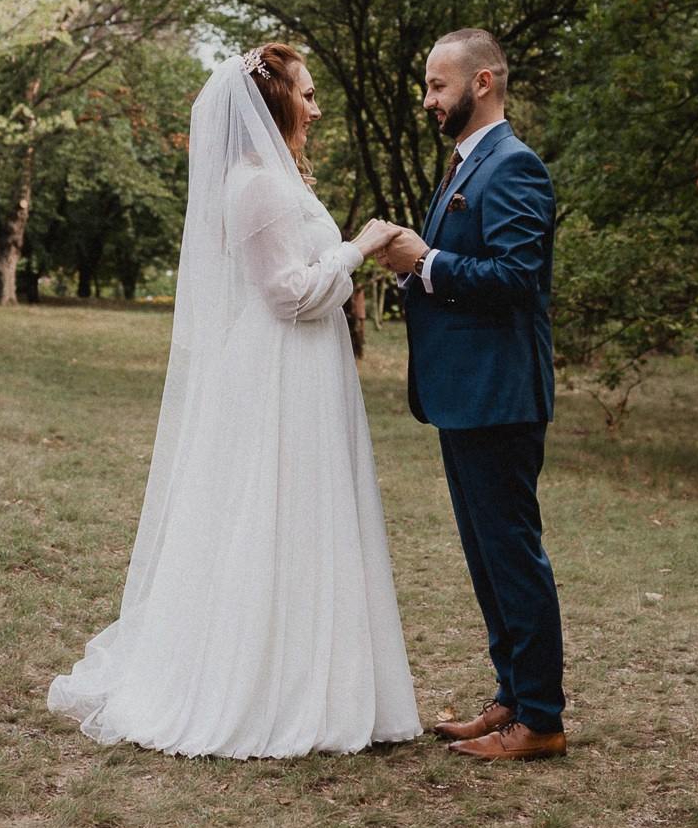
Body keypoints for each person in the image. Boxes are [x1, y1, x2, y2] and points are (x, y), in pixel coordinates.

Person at [47, 43, 421, 758]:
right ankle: (268, 690)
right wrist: (358, 248)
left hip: (308, 369)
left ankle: (324, 679)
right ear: (271, 100)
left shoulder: (279, 179)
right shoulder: (254, 184)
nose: (315, 107)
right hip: (282, 371)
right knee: (274, 518)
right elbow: (287, 294)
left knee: (311, 520)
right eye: (306, 95)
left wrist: (344, 257)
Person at [375, 28, 566, 762]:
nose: (428, 100)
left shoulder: (515, 168)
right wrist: (411, 270)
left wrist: (427, 259)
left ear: (482, 82)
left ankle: (541, 717)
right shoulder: (465, 165)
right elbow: (456, 270)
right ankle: (511, 696)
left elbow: (516, 278)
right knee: (488, 557)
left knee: (513, 555)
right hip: (463, 395)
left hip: (500, 396)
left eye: (437, 85)